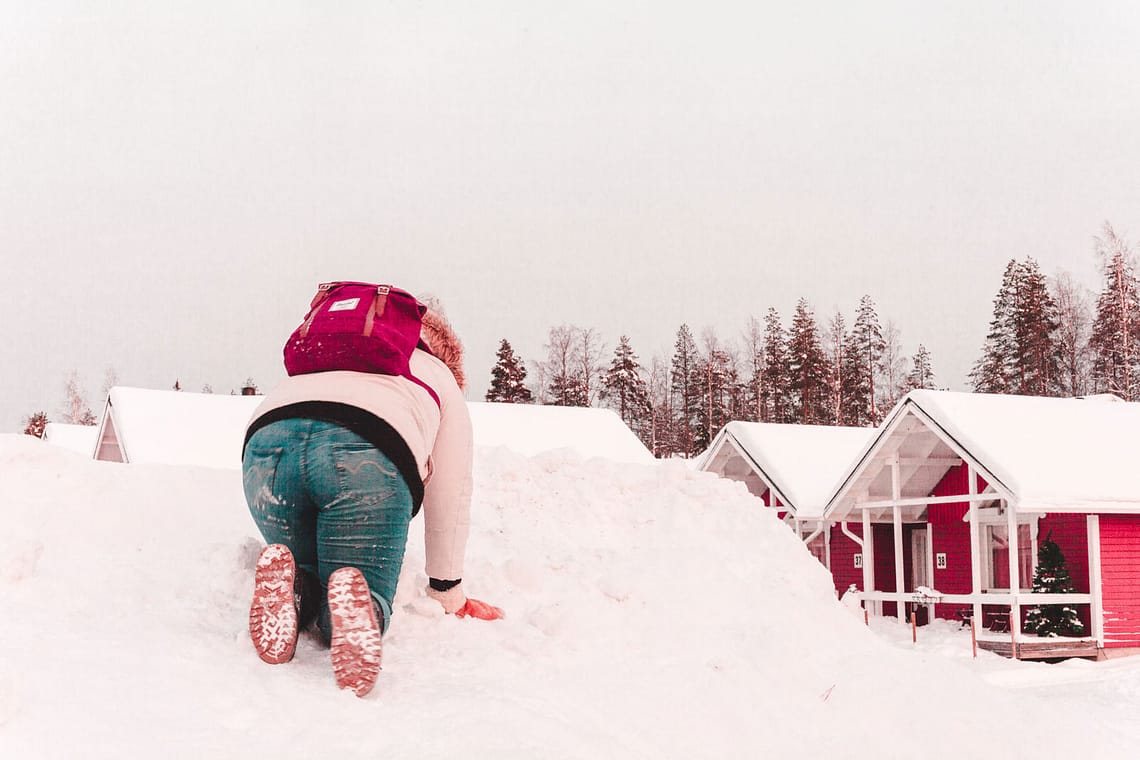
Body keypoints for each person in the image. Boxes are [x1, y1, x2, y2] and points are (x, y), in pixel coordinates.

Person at [240, 295, 502, 697]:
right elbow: (452, 491)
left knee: (304, 567)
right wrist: (448, 591)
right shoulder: (437, 373)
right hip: (365, 452)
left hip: (266, 451)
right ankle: (354, 608)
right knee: (360, 591)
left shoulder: (326, 354)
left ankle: (295, 590)